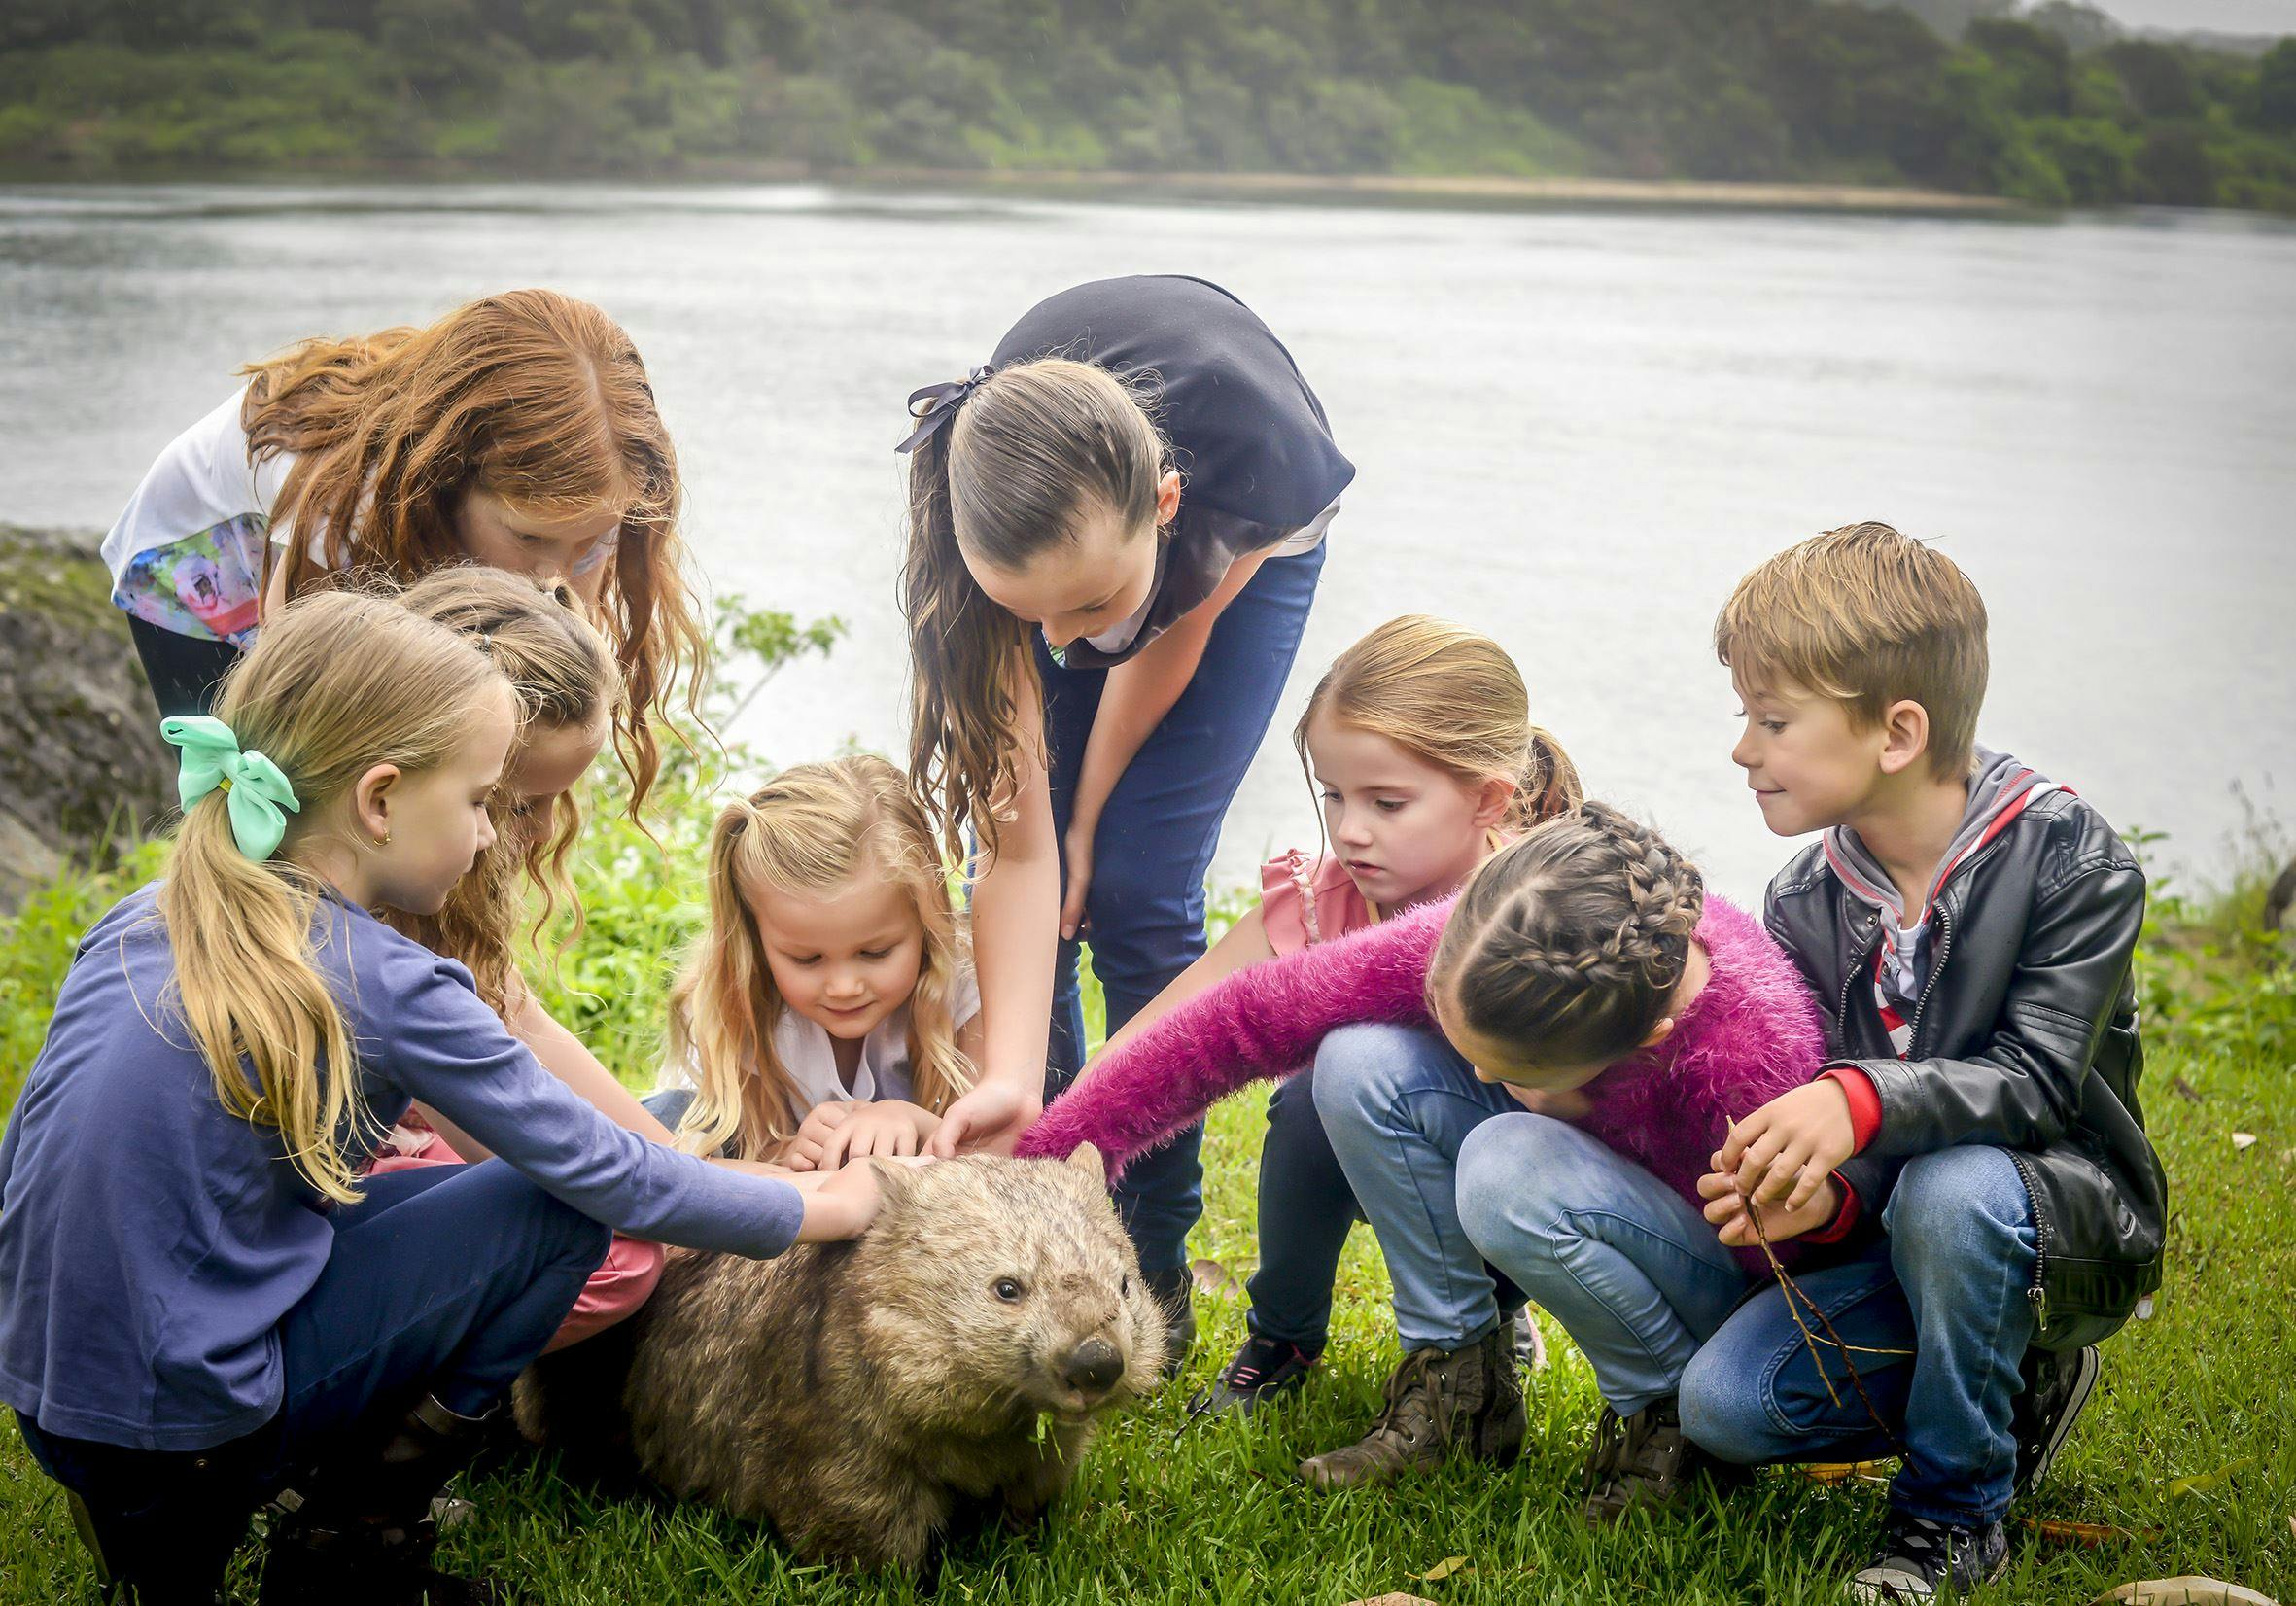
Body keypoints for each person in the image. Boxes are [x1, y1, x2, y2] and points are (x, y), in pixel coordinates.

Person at [0, 591, 881, 1606]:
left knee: (461, 1191)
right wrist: (831, 1205)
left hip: (62, 1415)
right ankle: (353, 1541)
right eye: (478, 801)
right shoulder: (387, 978)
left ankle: (167, 1538)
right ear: (379, 800)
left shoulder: (142, 914)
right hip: (189, 1437)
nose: (490, 836)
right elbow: (609, 1175)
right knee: (555, 1207)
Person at [1680, 521, 2165, 1602]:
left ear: (1896, 730)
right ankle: (2001, 1378)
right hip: (1909, 1234)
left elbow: (2038, 1086)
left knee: (1955, 1190)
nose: (1741, 750)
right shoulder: (1805, 897)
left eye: (1772, 720)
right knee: (1723, 1402)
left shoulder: (2070, 859)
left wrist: (1853, 1100)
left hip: (2063, 1220)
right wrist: (1822, 1200)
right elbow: (1860, 1149)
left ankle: (1951, 1514)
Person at [896, 275, 1355, 1366]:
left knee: (1144, 881)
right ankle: (1035, 1195)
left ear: (1163, 504)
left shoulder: (1245, 476)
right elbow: (1013, 845)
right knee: (1040, 885)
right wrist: (1007, 1075)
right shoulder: (981, 552)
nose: (1059, 642)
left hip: (1251, 525)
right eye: (1032, 616)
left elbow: (1159, 643)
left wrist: (1094, 820)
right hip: (1070, 537)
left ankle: (1148, 1252)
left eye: (1084, 609)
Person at [1084, 615, 1581, 1411]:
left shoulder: (1548, 909)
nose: (1350, 831)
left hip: (1519, 1164)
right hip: (1365, 1144)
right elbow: (1174, 1026)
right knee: (1310, 1097)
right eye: (1335, 795)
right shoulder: (1324, 901)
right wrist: (1065, 1118)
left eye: (1387, 802)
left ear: (1488, 798)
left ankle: (1494, 1315)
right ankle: (1283, 1336)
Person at [100, 288, 704, 816]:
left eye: (590, 540)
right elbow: (307, 697)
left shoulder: (592, 490)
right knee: (273, 789)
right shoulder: (347, 501)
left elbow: (570, 634)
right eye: (529, 537)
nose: (553, 575)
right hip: (202, 568)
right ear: (452, 478)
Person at [646, 755, 983, 1169]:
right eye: (806, 959)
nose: (844, 986)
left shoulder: (961, 987)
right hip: (789, 1201)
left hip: (926, 1204)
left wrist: (916, 1122)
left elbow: (1000, 1154)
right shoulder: (735, 1006)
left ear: (927, 922)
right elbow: (692, 1157)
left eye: (874, 953)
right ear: (755, 941)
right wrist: (785, 1154)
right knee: (662, 1113)